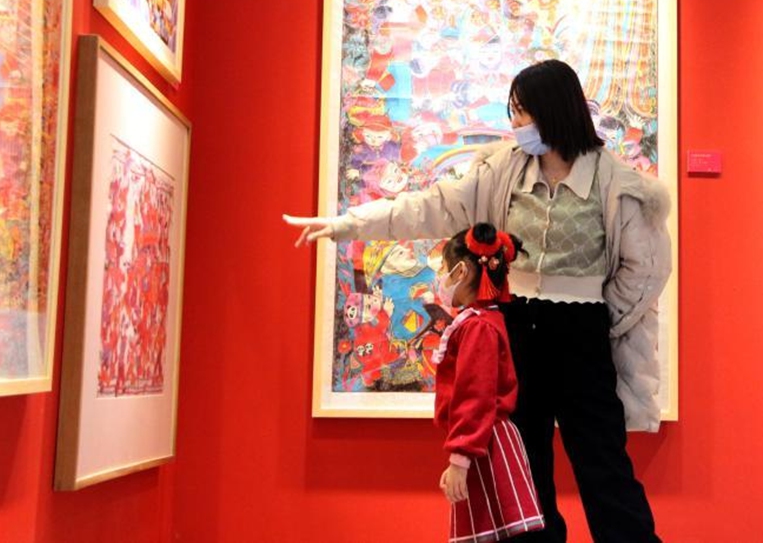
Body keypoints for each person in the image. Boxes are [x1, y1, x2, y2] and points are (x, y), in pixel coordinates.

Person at [286, 59, 671, 542]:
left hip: (583, 334)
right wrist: (347, 225)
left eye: (523, 112)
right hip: (517, 329)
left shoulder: (616, 184)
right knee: (523, 466)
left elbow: (647, 268)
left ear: (554, 111)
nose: (515, 124)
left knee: (604, 465)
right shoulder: (501, 170)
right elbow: (431, 206)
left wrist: (600, 317)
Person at [432, 222, 544, 541]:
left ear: (462, 272)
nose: (440, 276)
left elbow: (475, 395)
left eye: (443, 268)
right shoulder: (479, 321)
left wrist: (460, 457)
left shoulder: (478, 327)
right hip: (483, 439)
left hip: (485, 442)